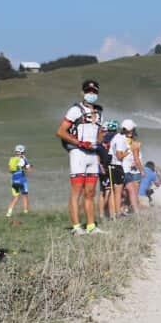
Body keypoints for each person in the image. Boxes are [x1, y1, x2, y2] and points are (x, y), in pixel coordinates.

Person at [57, 79, 107, 234]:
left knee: (91, 192)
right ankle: (76, 227)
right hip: (78, 153)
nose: (91, 94)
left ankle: (91, 226)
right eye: (88, 91)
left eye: (94, 91)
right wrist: (79, 142)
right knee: (77, 189)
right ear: (82, 93)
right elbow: (61, 131)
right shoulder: (75, 110)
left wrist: (101, 143)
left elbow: (99, 135)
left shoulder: (100, 113)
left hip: (92, 155)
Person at [117, 120, 144, 214]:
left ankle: (125, 209)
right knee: (131, 192)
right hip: (129, 170)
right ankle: (132, 211)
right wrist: (142, 171)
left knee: (125, 192)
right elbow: (136, 159)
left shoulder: (120, 139)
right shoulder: (130, 142)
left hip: (126, 169)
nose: (131, 132)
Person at [98, 120, 120, 220]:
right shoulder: (115, 138)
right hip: (110, 166)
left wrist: (100, 166)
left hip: (103, 166)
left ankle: (102, 214)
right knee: (111, 191)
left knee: (103, 191)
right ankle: (111, 214)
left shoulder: (100, 140)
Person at [6, 144, 32, 217]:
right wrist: (29, 167)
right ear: (23, 151)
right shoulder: (24, 159)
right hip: (22, 179)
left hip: (14, 179)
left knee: (15, 197)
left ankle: (8, 213)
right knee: (25, 196)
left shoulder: (12, 159)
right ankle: (25, 212)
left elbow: (10, 170)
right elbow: (29, 170)